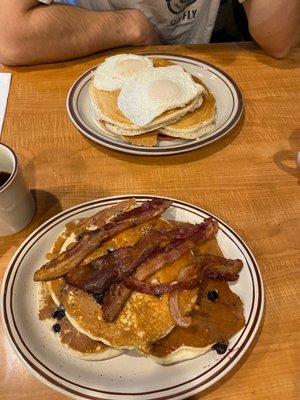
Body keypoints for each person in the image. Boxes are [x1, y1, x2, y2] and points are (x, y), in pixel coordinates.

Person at [0, 0, 299, 66]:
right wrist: (130, 26)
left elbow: (279, 41)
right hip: (99, 56)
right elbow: (11, 35)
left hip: (203, 65)